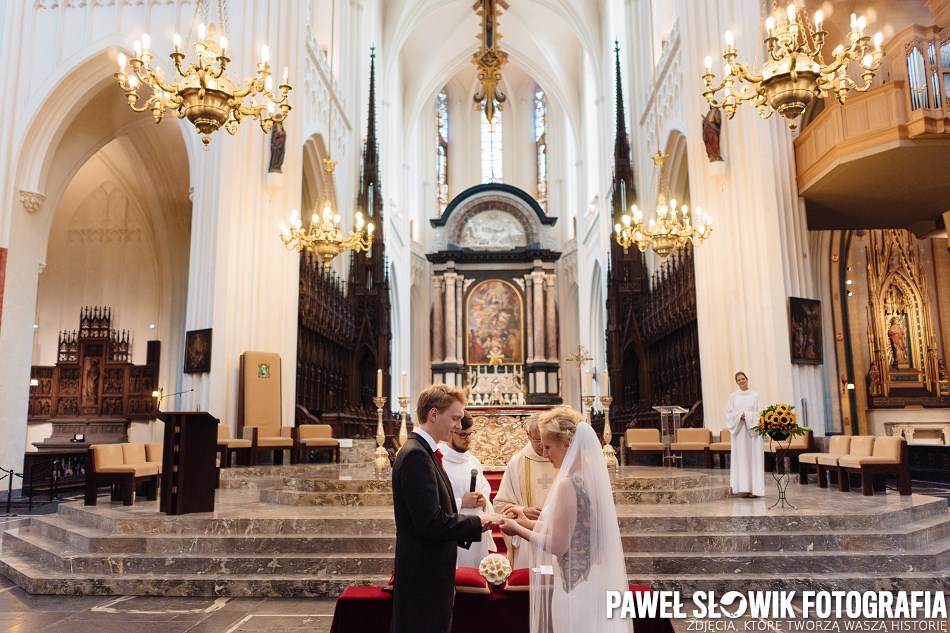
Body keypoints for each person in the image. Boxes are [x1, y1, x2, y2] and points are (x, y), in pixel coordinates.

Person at [500, 407, 631, 633]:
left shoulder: (568, 484)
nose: (544, 453)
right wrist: (523, 520)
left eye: (548, 446)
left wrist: (516, 528)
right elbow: (573, 529)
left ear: (567, 445)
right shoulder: (592, 476)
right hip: (595, 580)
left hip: (575, 589)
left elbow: (559, 545)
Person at [390, 384, 502, 633]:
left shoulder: (424, 452)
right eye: (454, 418)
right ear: (433, 414)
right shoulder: (415, 455)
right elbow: (430, 522)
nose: (457, 425)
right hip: (424, 575)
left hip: (431, 571)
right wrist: (480, 522)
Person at [492, 413, 557, 568]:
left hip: (557, 535)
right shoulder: (517, 462)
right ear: (527, 435)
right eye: (537, 440)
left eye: (545, 440)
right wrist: (523, 511)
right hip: (528, 540)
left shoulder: (562, 458)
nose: (542, 445)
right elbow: (500, 505)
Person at [439, 411, 497, 567]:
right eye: (463, 435)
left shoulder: (473, 461)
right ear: (451, 432)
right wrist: (460, 502)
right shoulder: (439, 461)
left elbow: (485, 491)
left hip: (477, 533)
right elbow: (433, 504)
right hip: (453, 531)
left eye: (471, 434)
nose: (469, 440)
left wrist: (484, 502)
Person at [725, 371, 765, 498]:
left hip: (753, 434)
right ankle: (743, 488)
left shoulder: (755, 396)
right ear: (736, 382)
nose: (741, 381)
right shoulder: (733, 396)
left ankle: (755, 490)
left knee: (754, 459)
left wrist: (747, 415)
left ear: (747, 379)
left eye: (743, 379)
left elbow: (761, 414)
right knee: (741, 458)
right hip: (740, 432)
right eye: (739, 380)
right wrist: (739, 416)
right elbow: (729, 414)